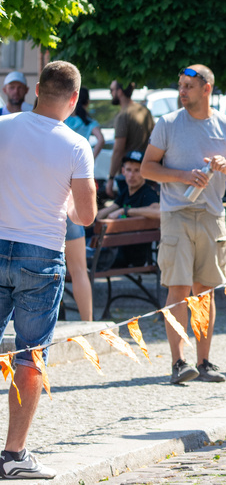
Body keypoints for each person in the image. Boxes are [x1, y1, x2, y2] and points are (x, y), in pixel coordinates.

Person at [0, 60, 96, 479]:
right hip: (41, 252)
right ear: (74, 99)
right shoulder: (76, 144)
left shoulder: (3, 127)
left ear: (37, 89)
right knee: (30, 355)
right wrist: (66, 205)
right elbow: (87, 214)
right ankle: (13, 456)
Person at [141, 64, 226, 385]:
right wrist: (182, 175)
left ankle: (204, 362)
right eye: (180, 85)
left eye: (189, 85)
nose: (182, 91)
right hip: (176, 214)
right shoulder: (168, 124)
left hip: (212, 216)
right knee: (178, 289)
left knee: (206, 291)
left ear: (207, 88)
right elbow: (147, 168)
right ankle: (179, 362)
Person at [63, 87, 106, 321]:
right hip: (76, 187)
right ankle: (87, 323)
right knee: (79, 268)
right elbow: (101, 139)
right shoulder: (88, 122)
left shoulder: (63, 120)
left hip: (53, 192)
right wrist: (92, 156)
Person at [94, 150, 161, 269]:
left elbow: (158, 212)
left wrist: (125, 211)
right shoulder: (126, 192)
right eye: (129, 170)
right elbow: (107, 211)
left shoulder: (148, 193)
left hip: (131, 255)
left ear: (144, 172)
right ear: (123, 171)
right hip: (116, 249)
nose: (131, 175)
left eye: (137, 171)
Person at [106, 80, 154, 198]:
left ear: (120, 92)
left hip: (130, 174)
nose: (111, 93)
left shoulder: (123, 116)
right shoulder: (144, 111)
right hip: (146, 171)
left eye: (112, 90)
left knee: (127, 211)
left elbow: (118, 150)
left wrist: (111, 178)